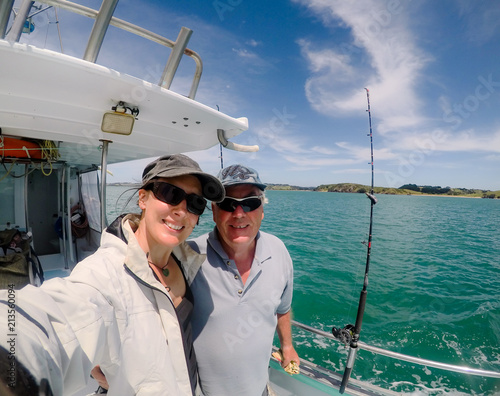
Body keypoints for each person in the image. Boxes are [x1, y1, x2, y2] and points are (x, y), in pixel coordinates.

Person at [0, 154, 224, 396]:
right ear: (143, 198)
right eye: (171, 194)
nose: (182, 210)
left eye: (195, 204)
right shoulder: (103, 274)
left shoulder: (187, 260)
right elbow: (56, 317)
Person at [187, 164, 300, 396]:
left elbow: (282, 308)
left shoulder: (279, 250)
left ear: (262, 210)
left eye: (250, 202)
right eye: (228, 204)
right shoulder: (188, 256)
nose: (239, 213)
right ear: (214, 211)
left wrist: (287, 346)